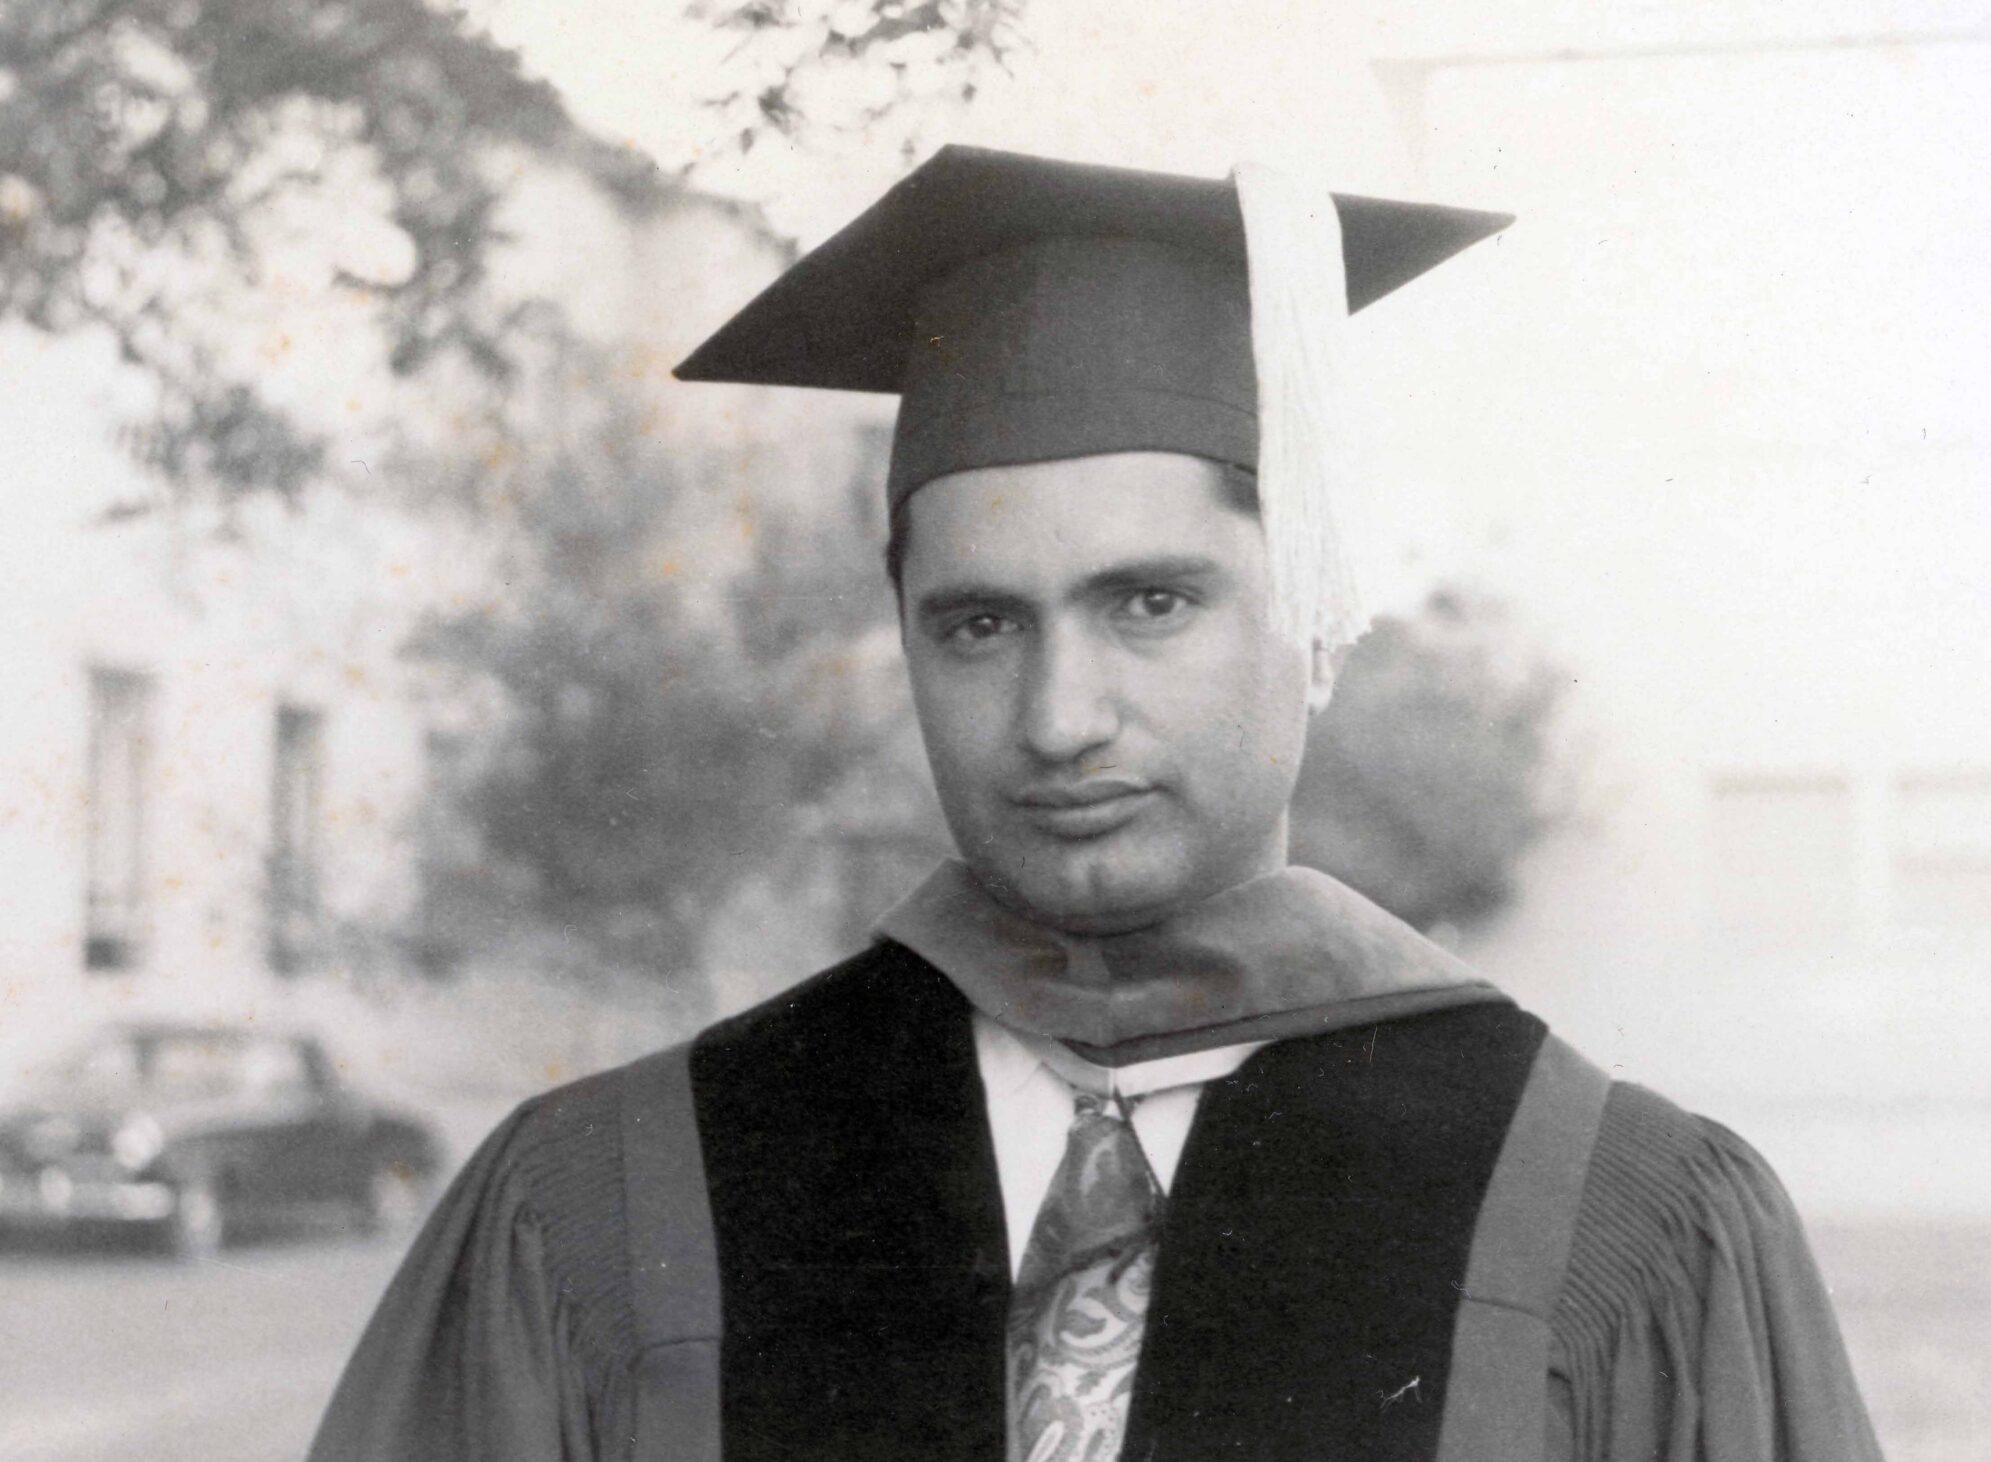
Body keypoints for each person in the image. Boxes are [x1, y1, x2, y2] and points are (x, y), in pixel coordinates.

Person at [309, 146, 1883, 1462]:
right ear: (904, 624)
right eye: (981, 623)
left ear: (1314, 618)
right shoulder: (605, 1200)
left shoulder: (1620, 1217)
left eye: (1150, 603)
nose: (1060, 719)